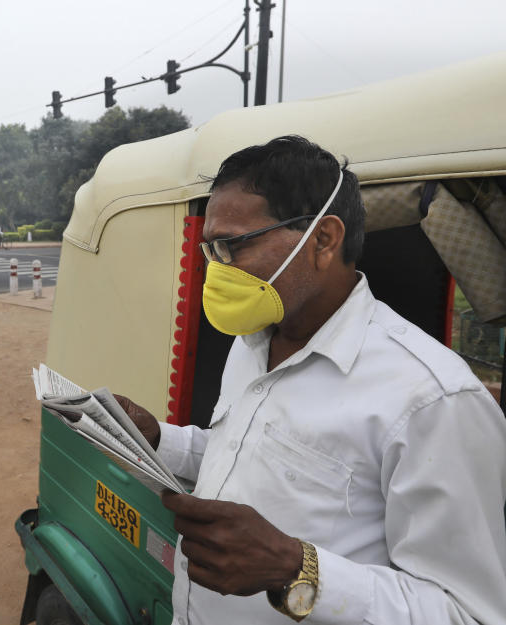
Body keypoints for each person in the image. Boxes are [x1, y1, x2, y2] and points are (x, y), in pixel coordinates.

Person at [117, 135, 506, 624]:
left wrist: (293, 568)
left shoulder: (432, 400)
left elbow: (467, 613)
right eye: (210, 250)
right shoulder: (253, 341)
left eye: (233, 246)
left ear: (322, 240)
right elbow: (243, 454)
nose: (216, 270)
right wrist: (160, 439)